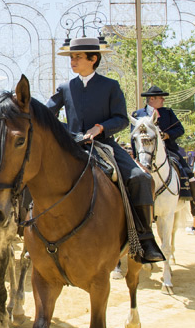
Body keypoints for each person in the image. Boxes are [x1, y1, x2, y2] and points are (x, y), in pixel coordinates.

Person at [46, 36, 164, 264]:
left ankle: (145, 239)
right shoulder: (65, 88)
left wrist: (100, 127)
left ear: (93, 59)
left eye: (77, 57)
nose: (73, 61)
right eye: (71, 57)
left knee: (140, 177)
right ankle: (30, 231)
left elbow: (121, 119)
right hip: (71, 147)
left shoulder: (111, 86)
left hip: (104, 145)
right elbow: (46, 114)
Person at [132, 85, 195, 217]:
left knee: (188, 172)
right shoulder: (137, 115)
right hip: (144, 153)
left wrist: (167, 135)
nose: (163, 100)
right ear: (152, 99)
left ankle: (191, 202)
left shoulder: (168, 112)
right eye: (161, 98)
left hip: (168, 149)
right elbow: (134, 137)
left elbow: (180, 130)